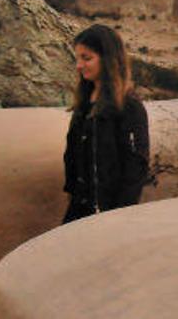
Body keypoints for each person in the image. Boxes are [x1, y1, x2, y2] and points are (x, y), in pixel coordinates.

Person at [63, 24, 149, 223]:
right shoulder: (84, 103)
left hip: (109, 215)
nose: (79, 65)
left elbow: (135, 170)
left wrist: (116, 217)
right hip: (79, 210)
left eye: (87, 58)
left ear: (108, 60)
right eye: (78, 58)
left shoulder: (129, 108)